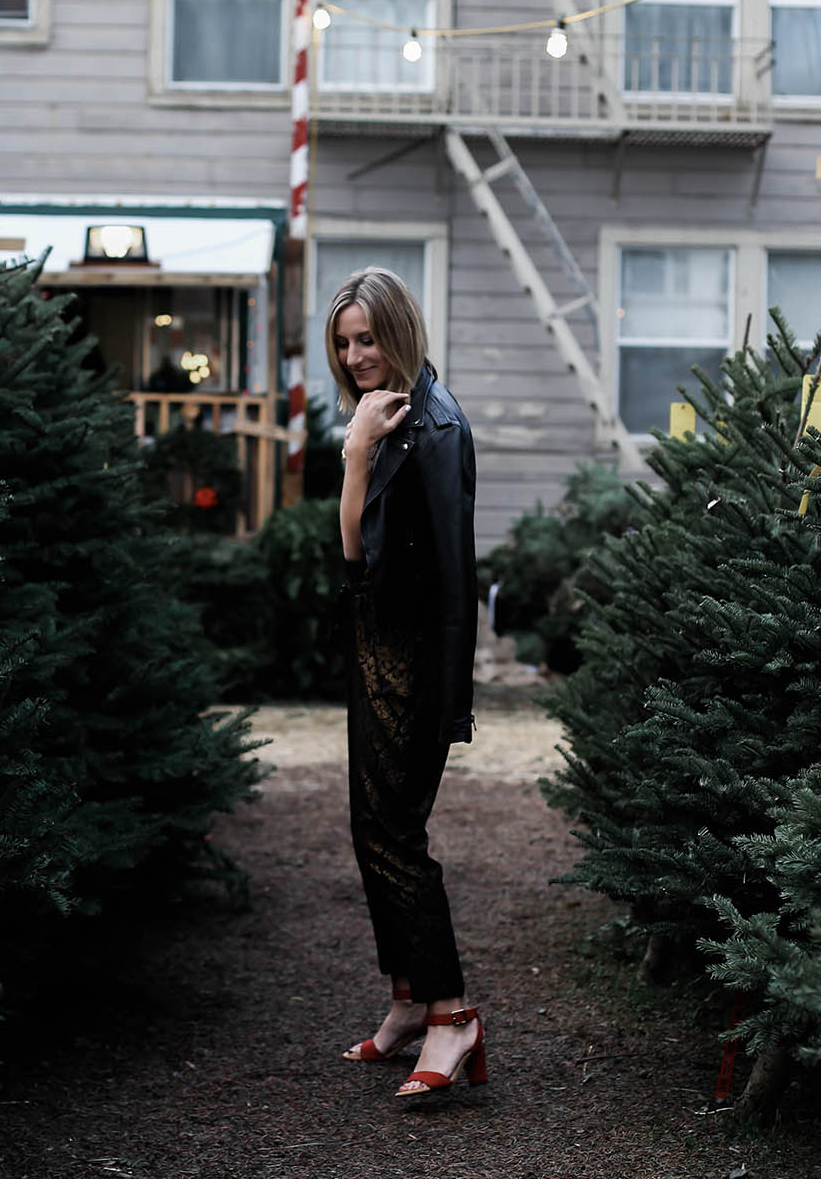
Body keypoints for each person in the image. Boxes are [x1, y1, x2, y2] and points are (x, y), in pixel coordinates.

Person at [326, 267, 485, 1100]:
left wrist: (355, 458)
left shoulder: (435, 427)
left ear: (400, 331)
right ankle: (407, 1000)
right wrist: (360, 442)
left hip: (414, 663)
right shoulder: (384, 413)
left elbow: (381, 564)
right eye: (346, 342)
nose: (356, 355)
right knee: (368, 829)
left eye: (369, 338)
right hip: (375, 653)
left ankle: (453, 1016)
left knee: (396, 838)